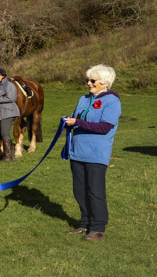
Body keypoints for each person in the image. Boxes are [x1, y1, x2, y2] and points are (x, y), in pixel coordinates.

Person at [63, 64, 121, 242]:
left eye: (93, 80)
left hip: (97, 153)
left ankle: (98, 228)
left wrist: (77, 123)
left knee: (95, 191)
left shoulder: (112, 101)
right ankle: (85, 223)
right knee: (79, 190)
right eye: (88, 79)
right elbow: (75, 119)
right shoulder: (83, 99)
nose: (89, 83)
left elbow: (104, 127)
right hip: (78, 152)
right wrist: (67, 122)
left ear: (105, 82)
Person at [0, 67, 20, 162]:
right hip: (1, 112)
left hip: (8, 112)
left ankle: (7, 156)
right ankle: (10, 155)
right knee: (4, 133)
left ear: (3, 76)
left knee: (4, 133)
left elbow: (12, 98)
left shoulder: (10, 85)